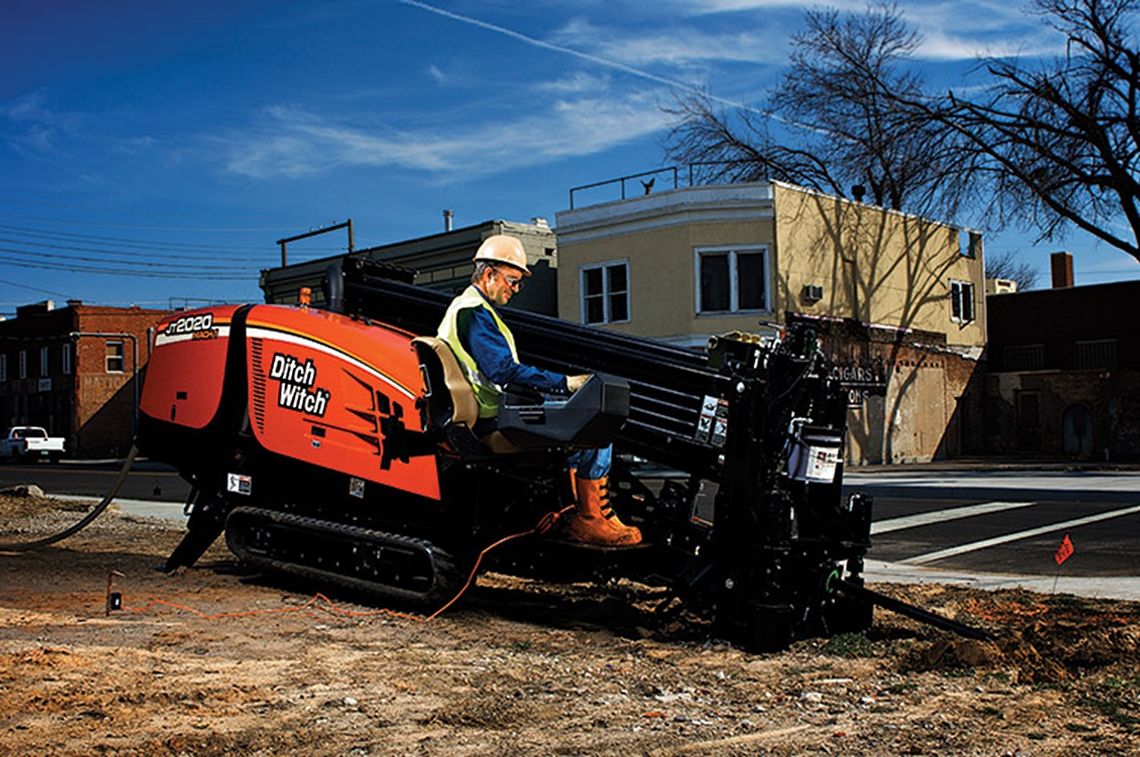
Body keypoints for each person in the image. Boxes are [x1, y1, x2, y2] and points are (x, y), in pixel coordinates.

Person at [437, 234, 642, 547]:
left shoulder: (471, 310)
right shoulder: (473, 312)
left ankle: (575, 512)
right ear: (489, 273)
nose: (516, 289)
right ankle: (591, 518)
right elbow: (503, 371)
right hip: (493, 418)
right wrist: (565, 383)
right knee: (597, 423)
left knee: (579, 419)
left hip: (493, 411)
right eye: (513, 280)